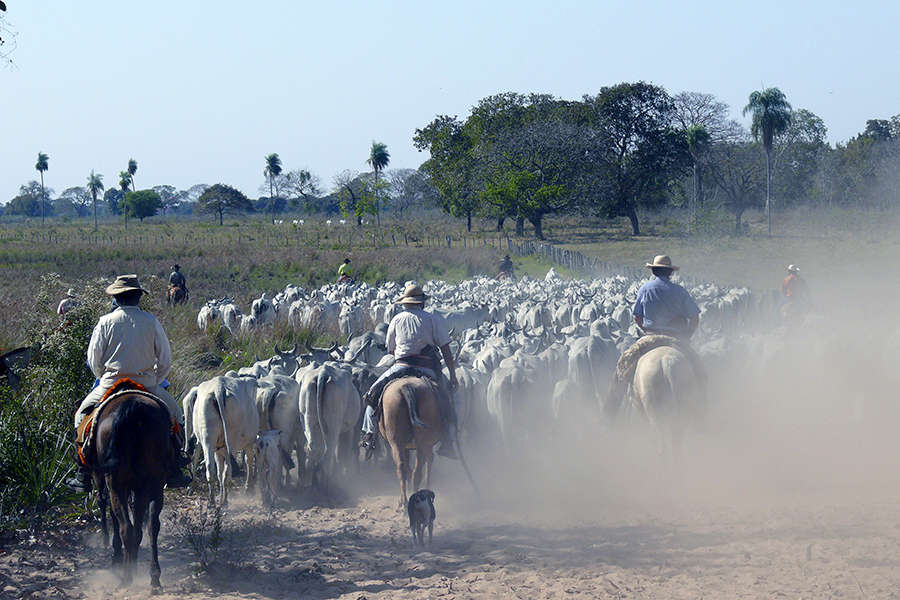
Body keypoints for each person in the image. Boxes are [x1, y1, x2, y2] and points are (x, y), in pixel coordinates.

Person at [66, 274, 191, 492]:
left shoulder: (104, 322)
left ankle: (83, 473)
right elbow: (166, 360)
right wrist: (155, 379)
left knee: (80, 417)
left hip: (111, 383)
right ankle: (175, 466)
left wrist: (103, 376)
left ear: (117, 298)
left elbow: (93, 360)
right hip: (146, 383)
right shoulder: (152, 321)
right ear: (138, 297)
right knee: (175, 414)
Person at [360, 284, 459, 459]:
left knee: (371, 395)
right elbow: (445, 349)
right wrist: (452, 376)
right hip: (427, 368)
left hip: (401, 366)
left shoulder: (397, 320)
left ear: (405, 303)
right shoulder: (433, 319)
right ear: (421, 303)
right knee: (447, 399)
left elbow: (391, 350)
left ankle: (369, 435)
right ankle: (448, 441)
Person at [632, 255, 700, 339]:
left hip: (651, 335)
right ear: (670, 272)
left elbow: (637, 317)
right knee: (691, 352)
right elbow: (695, 317)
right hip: (675, 336)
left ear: (653, 271)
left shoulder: (645, 289)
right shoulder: (680, 291)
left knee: (632, 352)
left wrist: (645, 330)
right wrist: (687, 335)